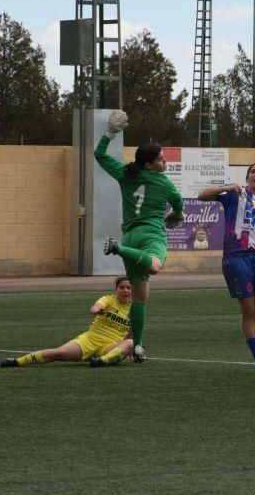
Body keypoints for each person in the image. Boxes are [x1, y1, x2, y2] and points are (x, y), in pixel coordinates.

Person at [94, 110, 184, 363]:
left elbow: (99, 155)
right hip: (149, 236)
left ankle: (138, 346)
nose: (164, 163)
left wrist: (110, 133)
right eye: (161, 160)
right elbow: (178, 204)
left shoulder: (126, 173)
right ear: (149, 164)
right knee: (155, 266)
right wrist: (177, 215)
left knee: (140, 299)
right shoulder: (164, 183)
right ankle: (117, 248)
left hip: (131, 235)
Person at [198, 163, 255, 385]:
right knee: (249, 311)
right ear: (247, 177)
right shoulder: (235, 194)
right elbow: (202, 196)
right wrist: (227, 186)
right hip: (236, 258)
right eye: (253, 171)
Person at [0, 276, 134, 368]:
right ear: (116, 290)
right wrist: (96, 310)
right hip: (91, 339)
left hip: (109, 347)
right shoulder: (108, 299)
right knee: (59, 353)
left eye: (128, 288)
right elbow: (95, 307)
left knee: (131, 343)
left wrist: (133, 352)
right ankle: (17, 362)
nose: (125, 291)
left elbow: (131, 332)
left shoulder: (135, 309)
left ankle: (101, 361)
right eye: (122, 287)